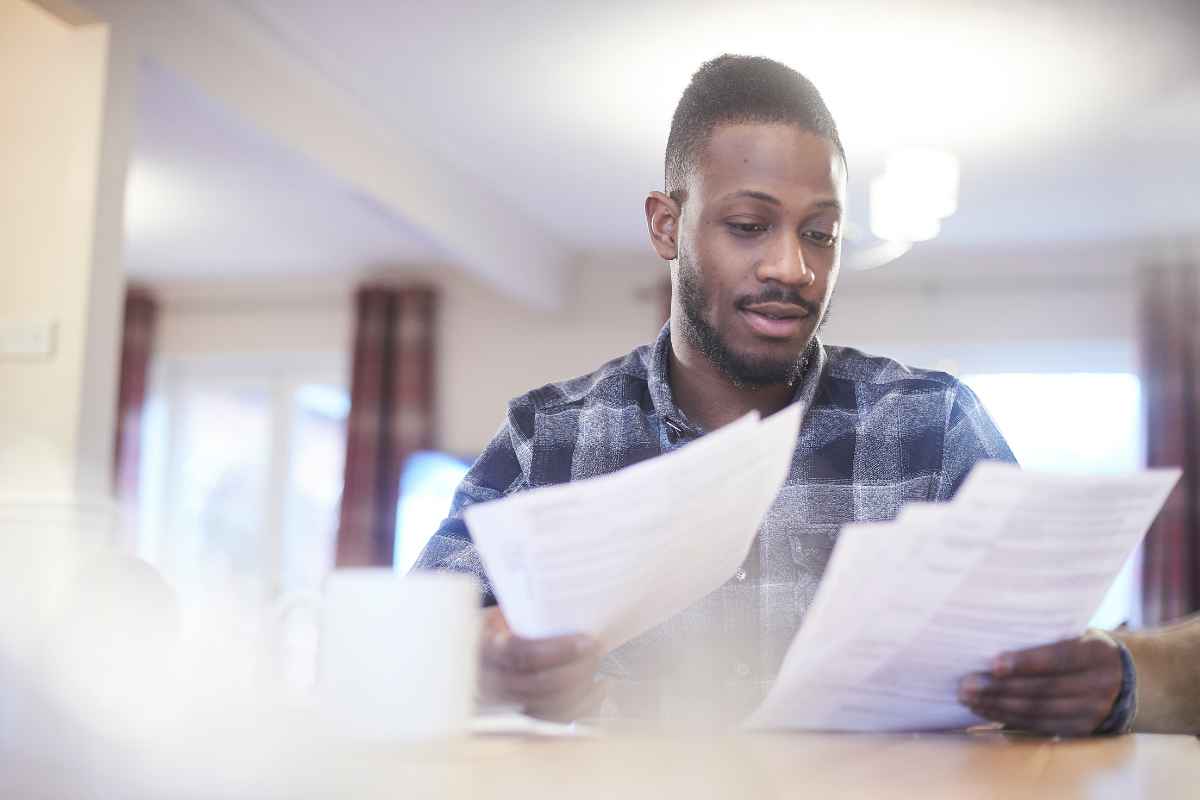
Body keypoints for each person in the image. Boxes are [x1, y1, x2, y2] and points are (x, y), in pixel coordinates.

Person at [415, 55, 1143, 734]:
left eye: (821, 234)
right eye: (748, 226)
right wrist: (482, 666)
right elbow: (414, 648)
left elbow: (1040, 669)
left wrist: (1083, 681)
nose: (793, 267)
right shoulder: (549, 437)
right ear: (667, 226)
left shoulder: (934, 424)